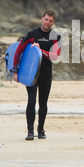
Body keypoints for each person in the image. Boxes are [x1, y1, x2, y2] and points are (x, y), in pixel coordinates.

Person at [13, 11, 62, 141]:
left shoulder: (56, 37)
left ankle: (40, 130)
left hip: (46, 73)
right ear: (42, 19)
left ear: (53, 22)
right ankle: (30, 131)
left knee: (43, 103)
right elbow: (18, 51)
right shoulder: (31, 34)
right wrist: (15, 71)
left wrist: (40, 51)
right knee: (31, 100)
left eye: (50, 21)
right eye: (46, 19)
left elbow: (55, 56)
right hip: (31, 73)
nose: (47, 22)